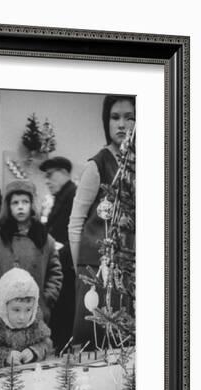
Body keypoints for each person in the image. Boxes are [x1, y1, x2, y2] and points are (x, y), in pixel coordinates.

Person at [68, 94, 136, 348]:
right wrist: (82, 271)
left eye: (130, 117)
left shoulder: (142, 165)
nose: (121, 124)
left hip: (129, 271)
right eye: (114, 117)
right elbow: (75, 224)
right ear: (105, 122)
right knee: (93, 346)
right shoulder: (97, 166)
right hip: (96, 271)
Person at [0, 179, 63, 326]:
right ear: (8, 207)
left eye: (25, 202)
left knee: (35, 348)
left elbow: (55, 272)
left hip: (37, 312)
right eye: (15, 203)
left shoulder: (45, 239)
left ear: (32, 205)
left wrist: (46, 298)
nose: (20, 207)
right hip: (3, 312)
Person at [0, 268, 54, 366]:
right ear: (3, 306)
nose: (22, 317)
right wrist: (5, 356)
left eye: (28, 310)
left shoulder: (35, 324)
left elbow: (47, 343)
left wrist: (34, 351)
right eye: (16, 310)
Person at [39, 156, 77, 351]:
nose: (47, 180)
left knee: (64, 316)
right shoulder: (61, 196)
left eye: (50, 175)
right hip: (59, 266)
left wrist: (60, 250)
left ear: (64, 172)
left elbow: (79, 232)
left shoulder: (73, 195)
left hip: (66, 267)